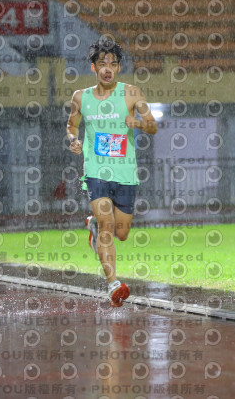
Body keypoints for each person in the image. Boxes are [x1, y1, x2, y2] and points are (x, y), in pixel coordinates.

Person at [66, 37, 157, 307]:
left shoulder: (132, 93)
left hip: (126, 173)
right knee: (107, 223)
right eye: (102, 64)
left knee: (122, 233)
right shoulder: (80, 97)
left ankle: (93, 227)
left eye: (113, 64)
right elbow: (71, 125)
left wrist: (137, 123)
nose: (108, 68)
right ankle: (113, 284)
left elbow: (153, 126)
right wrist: (74, 140)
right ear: (93, 67)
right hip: (96, 170)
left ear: (118, 67)